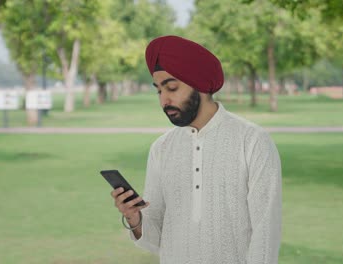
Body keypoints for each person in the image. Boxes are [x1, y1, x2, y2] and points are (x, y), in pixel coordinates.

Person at [111, 35, 282, 264]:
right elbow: (156, 239)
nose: (164, 101)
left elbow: (266, 232)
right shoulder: (162, 148)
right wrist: (135, 218)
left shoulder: (252, 141)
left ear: (199, 84)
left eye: (171, 87)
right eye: (159, 91)